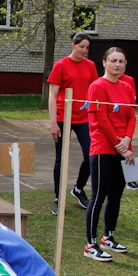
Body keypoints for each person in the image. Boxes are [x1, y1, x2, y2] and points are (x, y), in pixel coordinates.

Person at [83, 47, 136, 262]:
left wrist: (127, 140)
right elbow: (101, 119)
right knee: (99, 195)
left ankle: (108, 236)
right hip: (104, 148)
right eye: (113, 60)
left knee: (116, 194)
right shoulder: (97, 86)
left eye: (121, 61)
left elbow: (131, 116)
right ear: (104, 62)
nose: (118, 65)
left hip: (123, 147)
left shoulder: (126, 86)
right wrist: (118, 144)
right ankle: (90, 243)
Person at [47, 32, 99, 215]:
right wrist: (53, 123)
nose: (83, 51)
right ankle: (58, 198)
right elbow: (52, 96)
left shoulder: (90, 66)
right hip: (63, 116)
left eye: (86, 48)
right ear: (73, 45)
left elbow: (95, 91)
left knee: (91, 155)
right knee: (61, 158)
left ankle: (78, 188)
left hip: (83, 117)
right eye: (81, 47)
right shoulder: (60, 65)